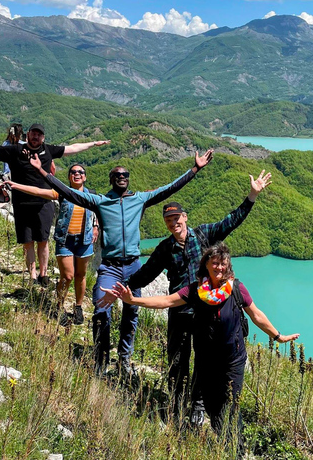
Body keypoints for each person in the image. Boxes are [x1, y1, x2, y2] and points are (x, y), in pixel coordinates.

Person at [29, 149, 214, 376]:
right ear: (111, 180)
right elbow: (67, 192)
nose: (121, 177)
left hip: (133, 265)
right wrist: (41, 171)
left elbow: (169, 189)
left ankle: (124, 359)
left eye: (125, 174)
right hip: (110, 266)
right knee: (101, 309)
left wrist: (195, 169)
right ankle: (101, 359)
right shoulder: (100, 201)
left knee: (131, 311)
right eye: (117, 175)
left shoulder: (139, 199)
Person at [101, 243, 299, 439]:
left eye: (223, 264)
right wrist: (132, 301)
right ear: (206, 265)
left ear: (228, 266)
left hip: (233, 360)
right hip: (206, 360)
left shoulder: (237, 289)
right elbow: (167, 301)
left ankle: (234, 448)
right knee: (212, 405)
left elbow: (257, 315)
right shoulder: (196, 291)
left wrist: (277, 336)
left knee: (230, 404)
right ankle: (223, 440)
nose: (219, 267)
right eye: (215, 263)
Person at [121, 170, 272, 417]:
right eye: (169, 220)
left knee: (204, 362)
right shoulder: (165, 248)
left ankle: (198, 406)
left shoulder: (203, 235)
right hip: (179, 311)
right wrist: (123, 288)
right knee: (178, 362)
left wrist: (252, 196)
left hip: (205, 314)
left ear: (185, 217)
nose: (173, 223)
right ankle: (176, 405)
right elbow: (145, 274)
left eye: (176, 217)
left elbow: (231, 221)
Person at [0, 125, 109, 286]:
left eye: (39, 134)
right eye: (33, 133)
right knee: (28, 242)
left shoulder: (48, 150)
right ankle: (32, 275)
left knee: (43, 241)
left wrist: (93, 144)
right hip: (22, 203)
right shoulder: (15, 150)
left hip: (44, 203)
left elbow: (72, 148)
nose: (36, 137)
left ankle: (43, 274)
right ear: (28, 135)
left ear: (43, 138)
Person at [4, 163, 99, 325]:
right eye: (73, 172)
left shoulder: (92, 195)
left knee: (80, 275)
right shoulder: (62, 193)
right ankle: (60, 306)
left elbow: (97, 210)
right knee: (67, 276)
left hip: (85, 240)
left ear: (85, 176)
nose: (77, 174)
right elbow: (39, 191)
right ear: (69, 177)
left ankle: (78, 307)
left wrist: (96, 226)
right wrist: (16, 185)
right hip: (65, 240)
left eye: (80, 172)